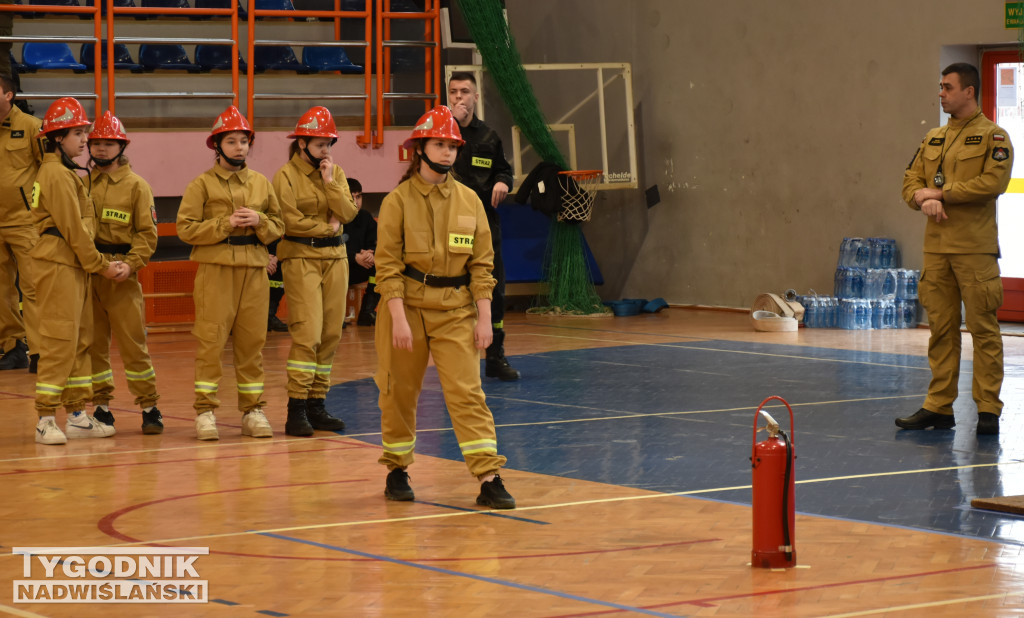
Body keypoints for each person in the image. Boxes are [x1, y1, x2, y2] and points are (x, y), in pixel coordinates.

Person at [375, 105, 516, 509]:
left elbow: (483, 266)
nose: (448, 152)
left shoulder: (471, 201)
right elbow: (387, 267)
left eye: (452, 145)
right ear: (420, 149)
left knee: (468, 393)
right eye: (439, 144)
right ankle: (397, 469)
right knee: (399, 392)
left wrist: (485, 319)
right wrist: (398, 319)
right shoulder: (397, 201)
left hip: (456, 311)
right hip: (408, 310)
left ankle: (488, 476)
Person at [896, 62, 1013, 436]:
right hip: (937, 251)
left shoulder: (994, 137)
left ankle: (988, 409)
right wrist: (920, 197)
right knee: (941, 330)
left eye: (948, 87)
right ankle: (939, 406)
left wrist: (941, 193)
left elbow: (992, 183)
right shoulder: (932, 138)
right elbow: (910, 178)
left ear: (970, 91)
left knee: (984, 330)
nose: (941, 93)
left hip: (974, 251)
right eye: (940, 87)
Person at [176, 105, 284, 441]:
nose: (239, 147)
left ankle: (253, 410)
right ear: (217, 145)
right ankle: (205, 411)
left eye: (244, 141)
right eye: (232, 141)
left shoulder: (262, 183)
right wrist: (225, 223)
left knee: (253, 344)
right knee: (211, 343)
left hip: (253, 271)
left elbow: (279, 226)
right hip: (216, 271)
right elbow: (185, 229)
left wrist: (260, 222)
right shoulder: (202, 185)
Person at [32, 97, 126, 445]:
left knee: (80, 340)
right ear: (58, 138)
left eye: (85, 132)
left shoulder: (65, 172)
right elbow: (72, 229)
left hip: (73, 265)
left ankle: (74, 414)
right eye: (78, 133)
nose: (85, 140)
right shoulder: (56, 174)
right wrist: (102, 265)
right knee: (59, 341)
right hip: (59, 264)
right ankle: (45, 417)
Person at [271, 105, 356, 436]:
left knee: (332, 334)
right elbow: (289, 221)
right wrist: (327, 228)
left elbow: (348, 212)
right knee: (308, 334)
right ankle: (296, 408)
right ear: (302, 143)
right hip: (301, 259)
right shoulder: (285, 176)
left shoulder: (335, 172)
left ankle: (316, 404)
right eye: (320, 144)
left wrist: (331, 183)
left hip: (336, 260)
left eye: (329, 144)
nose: (326, 150)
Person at [86, 111, 163, 434]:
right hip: (89, 274)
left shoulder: (137, 187)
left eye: (108, 143)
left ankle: (149, 407)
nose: (102, 149)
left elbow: (147, 235)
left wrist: (129, 265)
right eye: (96, 143)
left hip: (122, 275)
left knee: (133, 344)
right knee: (93, 344)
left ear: (121, 147)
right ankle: (102, 408)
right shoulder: (81, 183)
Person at [448, 71, 520, 382]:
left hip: (486, 228)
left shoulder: (489, 137)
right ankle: (458, 362)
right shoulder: (441, 135)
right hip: (453, 228)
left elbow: (505, 170)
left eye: (465, 91)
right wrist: (449, 125)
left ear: (476, 97)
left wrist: (503, 182)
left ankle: (495, 357)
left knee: (495, 292)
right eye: (453, 92)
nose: (458, 97)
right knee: (456, 292)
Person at [0, 74, 41, 373]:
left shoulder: (31, 127)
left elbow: (51, 172)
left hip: (26, 223)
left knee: (35, 288)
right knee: (1, 291)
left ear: (9, 95)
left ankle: (41, 350)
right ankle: (12, 347)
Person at [345, 177, 379, 326]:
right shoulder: (334, 218)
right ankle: (335, 317)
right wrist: (354, 257)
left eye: (359, 196)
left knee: (382, 268)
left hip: (362, 267)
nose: (356, 201)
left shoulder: (366, 217)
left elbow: (376, 242)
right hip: (341, 267)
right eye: (352, 197)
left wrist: (370, 254)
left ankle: (367, 311)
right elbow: (331, 248)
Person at [266, 239, 287, 332]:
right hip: (252, 252)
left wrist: (275, 258)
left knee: (278, 283)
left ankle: (270, 316)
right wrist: (261, 257)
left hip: (277, 254)